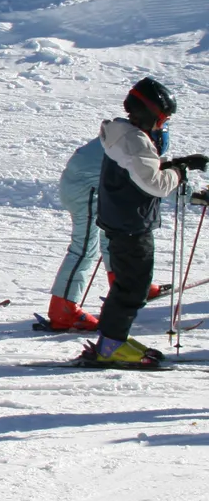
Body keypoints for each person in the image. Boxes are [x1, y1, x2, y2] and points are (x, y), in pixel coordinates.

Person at [85, 78, 208, 368]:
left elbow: (140, 169)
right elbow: (154, 183)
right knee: (132, 287)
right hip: (130, 222)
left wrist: (179, 163)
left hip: (123, 218)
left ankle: (112, 340)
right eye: (164, 118)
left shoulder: (125, 135)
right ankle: (111, 345)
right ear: (150, 112)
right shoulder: (135, 140)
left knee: (130, 284)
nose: (163, 125)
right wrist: (177, 173)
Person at [42, 136, 108, 331]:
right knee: (85, 249)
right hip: (86, 191)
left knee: (111, 238)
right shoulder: (134, 139)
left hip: (86, 187)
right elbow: (150, 181)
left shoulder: (123, 133)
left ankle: (126, 291)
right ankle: (64, 309)